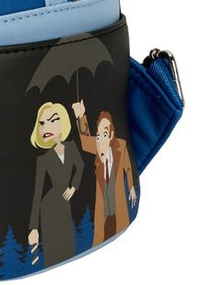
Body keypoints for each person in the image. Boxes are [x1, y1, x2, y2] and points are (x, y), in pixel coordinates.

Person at [71, 100, 137, 246]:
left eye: (104, 133)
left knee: (118, 226)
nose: (100, 139)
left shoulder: (121, 146)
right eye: (98, 135)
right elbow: (84, 141)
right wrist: (81, 116)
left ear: (111, 134)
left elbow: (128, 168)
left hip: (118, 206)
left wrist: (131, 187)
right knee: (101, 235)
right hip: (103, 210)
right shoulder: (98, 145)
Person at [27, 102, 84, 267]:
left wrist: (73, 187)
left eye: (53, 120)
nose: (46, 127)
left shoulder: (71, 147)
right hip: (49, 206)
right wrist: (34, 227)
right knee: (53, 249)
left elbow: (80, 166)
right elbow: (38, 192)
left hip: (65, 202)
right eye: (42, 123)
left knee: (68, 244)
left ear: (63, 122)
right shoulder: (43, 159)